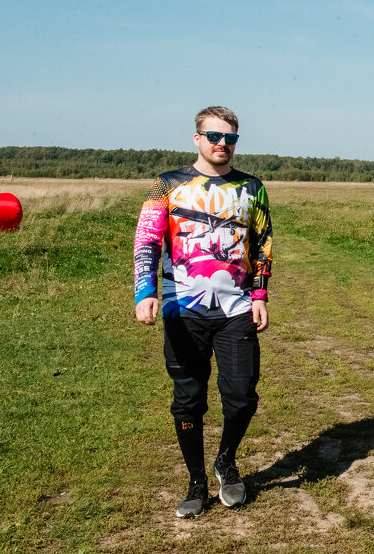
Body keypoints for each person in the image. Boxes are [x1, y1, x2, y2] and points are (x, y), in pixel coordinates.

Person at [132, 107, 274, 517]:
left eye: (230, 138)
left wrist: (260, 295)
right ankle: (196, 480)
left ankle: (226, 461)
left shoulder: (252, 187)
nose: (221, 144)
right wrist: (146, 291)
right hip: (183, 308)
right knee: (188, 400)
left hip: (237, 309)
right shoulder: (166, 185)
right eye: (213, 136)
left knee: (242, 396)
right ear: (197, 138)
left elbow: (262, 243)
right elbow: (147, 241)